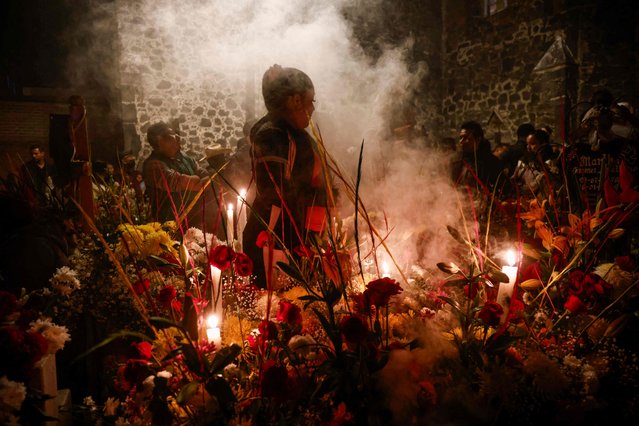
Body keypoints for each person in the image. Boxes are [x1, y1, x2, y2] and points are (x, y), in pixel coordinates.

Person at [243, 65, 332, 289]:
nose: (312, 108)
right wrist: (299, 239)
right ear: (295, 101)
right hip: (279, 238)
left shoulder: (293, 134)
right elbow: (275, 194)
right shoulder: (273, 134)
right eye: (310, 101)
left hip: (298, 235)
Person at [142, 122, 212, 226]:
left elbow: (203, 173)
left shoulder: (183, 156)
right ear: (156, 144)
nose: (177, 139)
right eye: (168, 138)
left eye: (174, 135)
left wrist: (206, 178)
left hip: (196, 219)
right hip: (171, 225)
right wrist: (202, 179)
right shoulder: (154, 166)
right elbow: (195, 184)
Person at [451, 120, 506, 191]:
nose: (461, 141)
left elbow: (502, 187)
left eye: (465, 138)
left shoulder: (491, 162)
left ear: (478, 140)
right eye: (460, 138)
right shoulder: (456, 160)